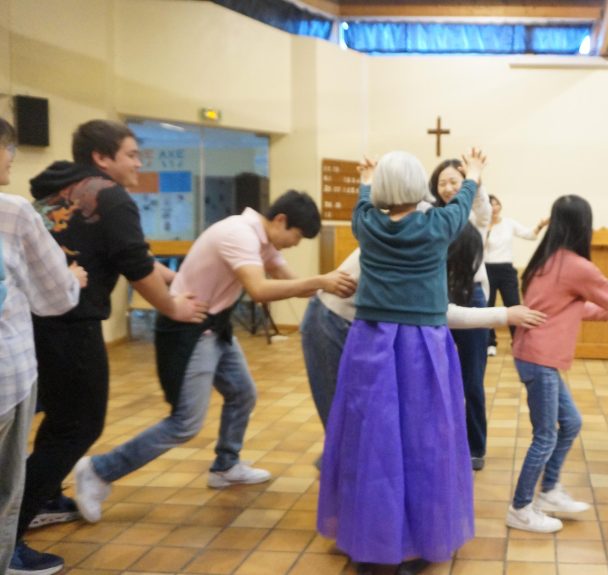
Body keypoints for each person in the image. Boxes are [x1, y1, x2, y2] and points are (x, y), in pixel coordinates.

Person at [72, 190, 353, 524]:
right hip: (189, 330)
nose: (295, 244)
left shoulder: (263, 240)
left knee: (242, 393)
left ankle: (226, 466)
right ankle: (98, 470)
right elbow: (260, 290)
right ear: (281, 221)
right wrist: (322, 281)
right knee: (184, 424)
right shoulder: (239, 233)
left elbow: (291, 280)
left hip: (215, 326)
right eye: (297, 236)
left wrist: (330, 290)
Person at [13, 120, 207, 573]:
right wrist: (172, 306)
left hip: (36, 324)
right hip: (70, 326)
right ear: (102, 158)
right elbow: (136, 266)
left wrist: (175, 279)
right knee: (79, 427)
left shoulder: (56, 192)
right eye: (132, 154)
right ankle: (9, 532)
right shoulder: (111, 196)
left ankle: (41, 499)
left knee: (61, 420)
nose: (139, 163)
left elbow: (128, 255)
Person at [318, 149, 486, 575]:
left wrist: (366, 178)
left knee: (370, 443)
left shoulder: (367, 224)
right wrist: (473, 175)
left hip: (369, 344)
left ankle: (370, 541)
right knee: (424, 443)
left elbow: (362, 200)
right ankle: (416, 544)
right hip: (421, 348)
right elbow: (463, 203)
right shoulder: (438, 225)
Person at [300, 231, 546, 459]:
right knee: (344, 426)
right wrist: (505, 314)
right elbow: (440, 313)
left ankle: (345, 474)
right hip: (330, 323)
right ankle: (339, 478)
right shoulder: (412, 257)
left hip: (354, 326)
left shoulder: (421, 239)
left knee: (359, 424)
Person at [507, 194, 608, 534]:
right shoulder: (575, 266)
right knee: (545, 436)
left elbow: (570, 308)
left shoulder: (547, 259)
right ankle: (520, 508)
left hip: (533, 355)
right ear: (583, 225)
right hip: (539, 358)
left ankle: (549, 491)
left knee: (571, 423)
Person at [0, 118, 86, 575]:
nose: (12, 158)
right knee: (4, 490)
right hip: (7, 375)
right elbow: (55, 298)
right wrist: (72, 278)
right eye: (8, 149)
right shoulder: (13, 212)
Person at [428, 159, 492, 470]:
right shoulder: (431, 217)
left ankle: (475, 446)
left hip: (472, 295)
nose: (448, 188)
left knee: (472, 379)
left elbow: (483, 208)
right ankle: (440, 442)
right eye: (442, 182)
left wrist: (475, 180)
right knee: (435, 375)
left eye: (454, 181)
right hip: (436, 296)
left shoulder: (474, 217)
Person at [484, 194, 547, 356]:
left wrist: (540, 225)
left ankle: (517, 341)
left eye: (497, 204)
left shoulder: (509, 223)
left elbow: (530, 235)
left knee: (513, 304)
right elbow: (478, 247)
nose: (494, 208)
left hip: (506, 270)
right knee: (488, 306)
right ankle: (490, 343)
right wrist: (487, 230)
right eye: (490, 205)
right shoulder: (482, 224)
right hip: (487, 269)